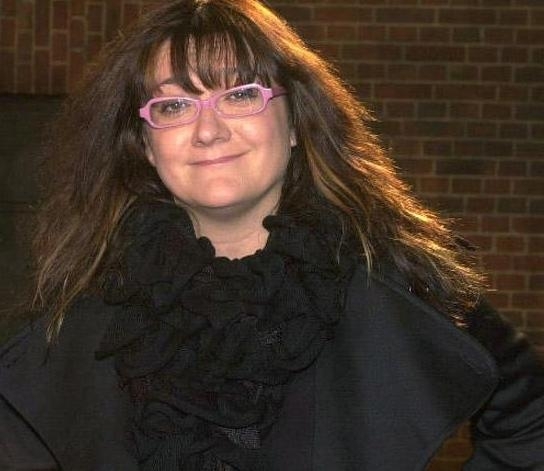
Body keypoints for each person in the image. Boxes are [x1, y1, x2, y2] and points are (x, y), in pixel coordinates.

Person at [1, 0, 543, 469]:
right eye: (174, 105)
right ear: (144, 145)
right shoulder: (79, 307)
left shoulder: (400, 283)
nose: (208, 130)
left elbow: (531, 421)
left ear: (296, 123)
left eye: (240, 95)